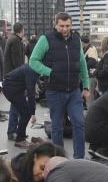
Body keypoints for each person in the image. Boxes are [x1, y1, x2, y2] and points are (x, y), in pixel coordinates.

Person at [28, 12, 90, 159]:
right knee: (57, 127)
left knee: (79, 124)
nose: (64, 29)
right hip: (55, 91)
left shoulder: (76, 40)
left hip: (74, 90)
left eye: (67, 25)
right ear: (55, 24)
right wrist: (49, 72)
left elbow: (82, 63)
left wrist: (86, 86)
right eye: (61, 26)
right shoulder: (45, 39)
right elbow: (33, 61)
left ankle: (79, 159)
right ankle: (59, 159)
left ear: (71, 25)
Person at [2, 64, 38, 148]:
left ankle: (19, 134)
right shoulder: (31, 72)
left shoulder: (31, 67)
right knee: (26, 113)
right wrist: (33, 113)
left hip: (14, 87)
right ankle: (20, 140)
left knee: (23, 110)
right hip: (11, 89)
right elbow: (30, 93)